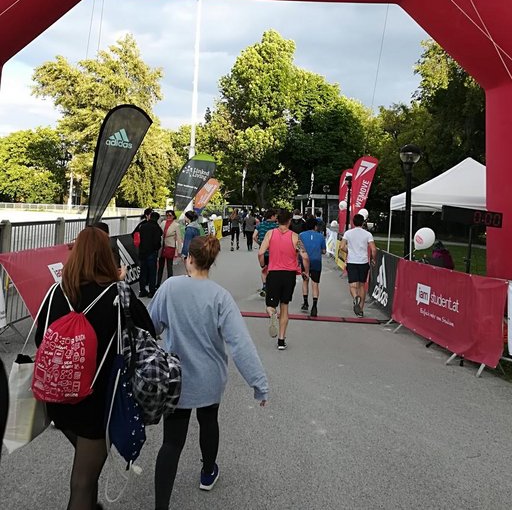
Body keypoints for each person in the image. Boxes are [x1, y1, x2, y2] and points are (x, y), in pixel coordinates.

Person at [34, 226, 154, 510]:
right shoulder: (117, 293)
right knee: (82, 481)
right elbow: (147, 331)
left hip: (58, 398)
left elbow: (42, 338)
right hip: (97, 400)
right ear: (105, 255)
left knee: (88, 464)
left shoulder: (56, 292)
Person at [149, 235, 268, 509]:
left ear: (188, 258)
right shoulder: (220, 297)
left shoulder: (169, 287)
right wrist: (258, 383)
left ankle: (161, 505)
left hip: (175, 377)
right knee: (208, 421)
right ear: (212, 262)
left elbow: (151, 326)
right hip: (209, 377)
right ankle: (207, 471)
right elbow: (240, 343)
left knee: (172, 442)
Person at [258, 209, 310, 350]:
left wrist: (263, 264)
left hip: (274, 273)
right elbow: (304, 256)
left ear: (277, 220)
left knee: (270, 305)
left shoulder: (270, 234)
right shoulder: (295, 237)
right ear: (289, 221)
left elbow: (261, 252)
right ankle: (281, 340)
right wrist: (306, 271)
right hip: (289, 275)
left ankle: (272, 314)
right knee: (285, 306)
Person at [339, 213, 377, 317]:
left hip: (352, 261)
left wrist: (349, 251)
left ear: (353, 222)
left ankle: (355, 297)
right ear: (363, 222)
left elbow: (341, 247)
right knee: (361, 285)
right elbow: (373, 249)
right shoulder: (367, 234)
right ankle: (360, 309)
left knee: (352, 285)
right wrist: (373, 259)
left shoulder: (348, 233)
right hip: (363, 262)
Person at [299, 217, 327, 317]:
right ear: (315, 226)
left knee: (305, 281)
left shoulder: (301, 235)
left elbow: (299, 248)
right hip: (316, 261)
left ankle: (305, 302)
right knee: (315, 284)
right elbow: (324, 251)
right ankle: (314, 306)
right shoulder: (320, 236)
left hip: (304, 261)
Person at [253, 209, 278, 297]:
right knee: (273, 270)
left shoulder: (260, 225)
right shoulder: (276, 226)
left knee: (264, 270)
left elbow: (254, 236)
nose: (276, 218)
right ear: (272, 216)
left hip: (263, 252)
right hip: (273, 252)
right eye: (275, 216)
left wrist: (260, 243)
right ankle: (272, 287)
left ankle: (264, 286)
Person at [138, 210, 162, 298]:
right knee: (152, 273)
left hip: (142, 252)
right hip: (152, 253)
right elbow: (157, 241)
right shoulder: (156, 227)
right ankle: (151, 291)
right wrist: (157, 248)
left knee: (143, 273)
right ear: (157, 219)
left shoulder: (143, 226)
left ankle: (142, 290)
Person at [157, 209, 181, 288]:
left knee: (169, 266)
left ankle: (170, 283)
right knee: (160, 266)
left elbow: (179, 238)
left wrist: (179, 250)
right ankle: (158, 283)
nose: (168, 217)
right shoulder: (163, 223)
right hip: (162, 246)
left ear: (173, 216)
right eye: (167, 215)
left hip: (170, 247)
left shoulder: (176, 225)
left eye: (170, 215)